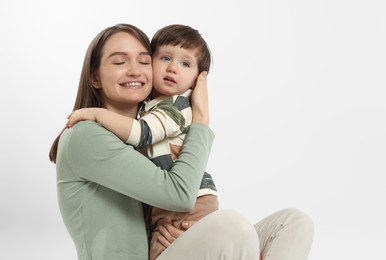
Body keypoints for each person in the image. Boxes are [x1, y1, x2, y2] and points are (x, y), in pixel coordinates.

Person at [49, 23, 260, 260]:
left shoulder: (148, 137)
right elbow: (179, 195)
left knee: (291, 223)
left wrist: (178, 234)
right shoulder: (86, 134)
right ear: (95, 77)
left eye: (143, 61)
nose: (134, 71)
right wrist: (201, 118)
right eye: (120, 62)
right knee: (233, 227)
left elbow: (142, 213)